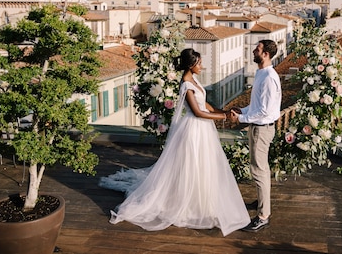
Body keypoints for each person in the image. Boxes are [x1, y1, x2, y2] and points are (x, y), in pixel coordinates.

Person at [99, 48, 250, 236]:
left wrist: (222, 111)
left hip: (203, 129)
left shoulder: (194, 80)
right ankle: (187, 203)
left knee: (203, 166)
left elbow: (205, 104)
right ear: (191, 64)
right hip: (194, 129)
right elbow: (197, 112)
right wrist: (224, 117)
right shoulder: (186, 84)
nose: (202, 66)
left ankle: (203, 202)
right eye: (200, 63)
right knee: (191, 165)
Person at [230, 39, 282, 232]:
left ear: (266, 54)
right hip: (258, 127)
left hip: (262, 128)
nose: (253, 51)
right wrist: (242, 110)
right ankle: (262, 203)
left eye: (257, 49)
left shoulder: (269, 77)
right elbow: (256, 106)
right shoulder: (261, 73)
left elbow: (265, 111)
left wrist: (241, 118)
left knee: (259, 170)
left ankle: (263, 216)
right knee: (260, 169)